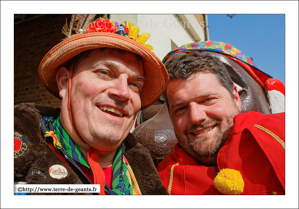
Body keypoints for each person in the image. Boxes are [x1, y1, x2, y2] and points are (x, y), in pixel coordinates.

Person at [14, 16, 169, 195]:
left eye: (135, 85)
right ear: (65, 82)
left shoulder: (153, 171)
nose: (124, 92)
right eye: (104, 72)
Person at [157, 41, 285, 195]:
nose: (196, 117)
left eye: (207, 100)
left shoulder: (283, 132)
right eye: (180, 108)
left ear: (235, 97)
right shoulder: (158, 183)